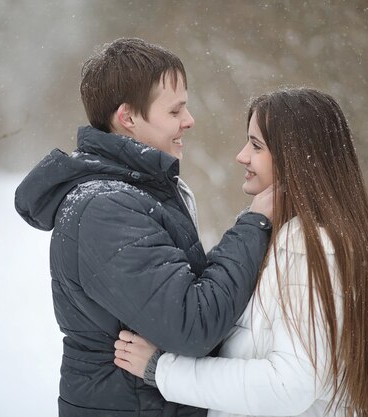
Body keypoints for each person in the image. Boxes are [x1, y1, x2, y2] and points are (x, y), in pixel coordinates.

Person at [14, 38, 274, 417]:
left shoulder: (136, 193)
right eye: (175, 111)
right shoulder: (105, 210)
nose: (189, 120)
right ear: (129, 118)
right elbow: (193, 324)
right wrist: (253, 224)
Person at [114, 88, 368, 417]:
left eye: (257, 146)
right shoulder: (293, 237)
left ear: (298, 157)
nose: (242, 156)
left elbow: (290, 386)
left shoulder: (308, 246)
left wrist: (163, 370)